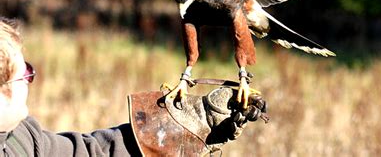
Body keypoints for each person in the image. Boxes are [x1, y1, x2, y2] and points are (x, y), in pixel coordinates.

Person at [0, 17, 267, 156]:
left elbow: (90, 154)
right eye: (24, 74)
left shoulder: (21, 139)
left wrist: (180, 126)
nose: (30, 80)